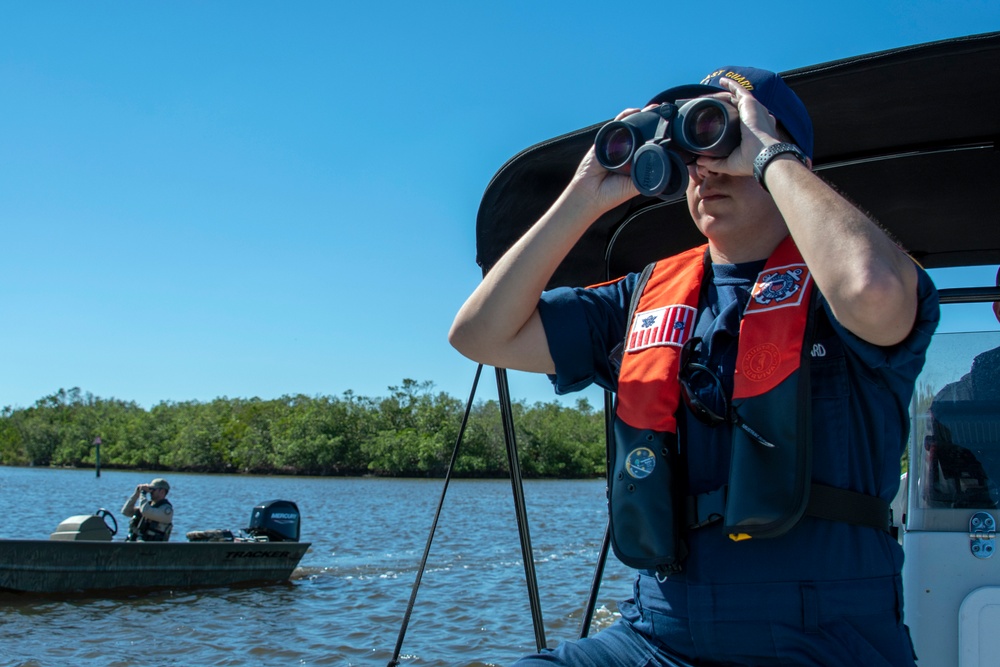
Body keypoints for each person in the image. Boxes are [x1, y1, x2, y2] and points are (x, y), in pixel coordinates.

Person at [450, 65, 939, 666]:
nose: (705, 166)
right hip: (659, 633)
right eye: (689, 150)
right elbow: (480, 335)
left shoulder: (846, 283)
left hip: (826, 637)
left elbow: (872, 292)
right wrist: (586, 192)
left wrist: (766, 156)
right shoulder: (642, 298)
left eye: (722, 135)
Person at [122, 477, 173, 541]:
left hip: (153, 546)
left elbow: (146, 512)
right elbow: (126, 511)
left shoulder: (166, 510)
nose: (150, 492)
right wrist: (136, 494)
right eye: (150, 489)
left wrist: (143, 494)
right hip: (137, 543)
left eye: (153, 490)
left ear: (162, 492)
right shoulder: (148, 506)